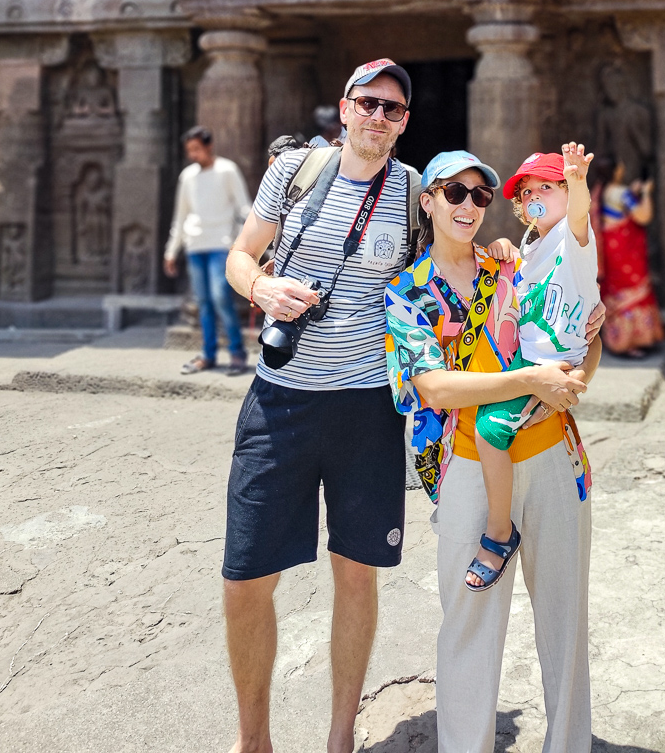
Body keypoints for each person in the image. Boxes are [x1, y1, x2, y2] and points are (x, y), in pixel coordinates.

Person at [221, 59, 422, 753]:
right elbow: (241, 255)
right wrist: (261, 289)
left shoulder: (412, 192)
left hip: (368, 407)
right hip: (281, 402)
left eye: (392, 109)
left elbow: (453, 257)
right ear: (344, 109)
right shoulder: (296, 171)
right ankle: (254, 740)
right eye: (368, 103)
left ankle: (340, 738)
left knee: (356, 573)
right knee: (246, 577)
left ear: (404, 123)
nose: (378, 117)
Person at [386, 151, 604, 753]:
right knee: (469, 625)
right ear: (427, 201)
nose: (468, 205)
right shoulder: (406, 291)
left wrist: (586, 353)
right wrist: (530, 381)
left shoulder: (513, 264)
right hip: (468, 466)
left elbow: (576, 339)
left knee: (565, 618)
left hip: (554, 453)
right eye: (453, 193)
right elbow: (432, 387)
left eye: (480, 195)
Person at [468, 143, 600, 591]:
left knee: (489, 432)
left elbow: (579, 215)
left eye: (547, 187)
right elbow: (518, 273)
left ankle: (499, 531)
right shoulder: (533, 245)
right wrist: (505, 245)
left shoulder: (572, 238)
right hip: (532, 358)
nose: (535, 196)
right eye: (527, 192)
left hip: (552, 363)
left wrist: (578, 182)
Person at [163, 125, 252, 376]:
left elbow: (244, 208)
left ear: (208, 146)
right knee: (203, 302)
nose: (193, 154)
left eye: (196, 149)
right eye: (189, 150)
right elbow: (181, 216)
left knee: (220, 297)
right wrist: (171, 251)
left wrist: (250, 244)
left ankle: (237, 352)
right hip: (195, 246)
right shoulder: (187, 176)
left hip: (221, 244)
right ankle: (208, 354)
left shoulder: (227, 170)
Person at [595, 159, 662, 356]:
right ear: (616, 171)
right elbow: (643, 216)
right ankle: (632, 342)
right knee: (633, 292)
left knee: (614, 292)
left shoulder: (599, 192)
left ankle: (617, 340)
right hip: (625, 251)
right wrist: (646, 193)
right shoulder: (621, 193)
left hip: (609, 248)